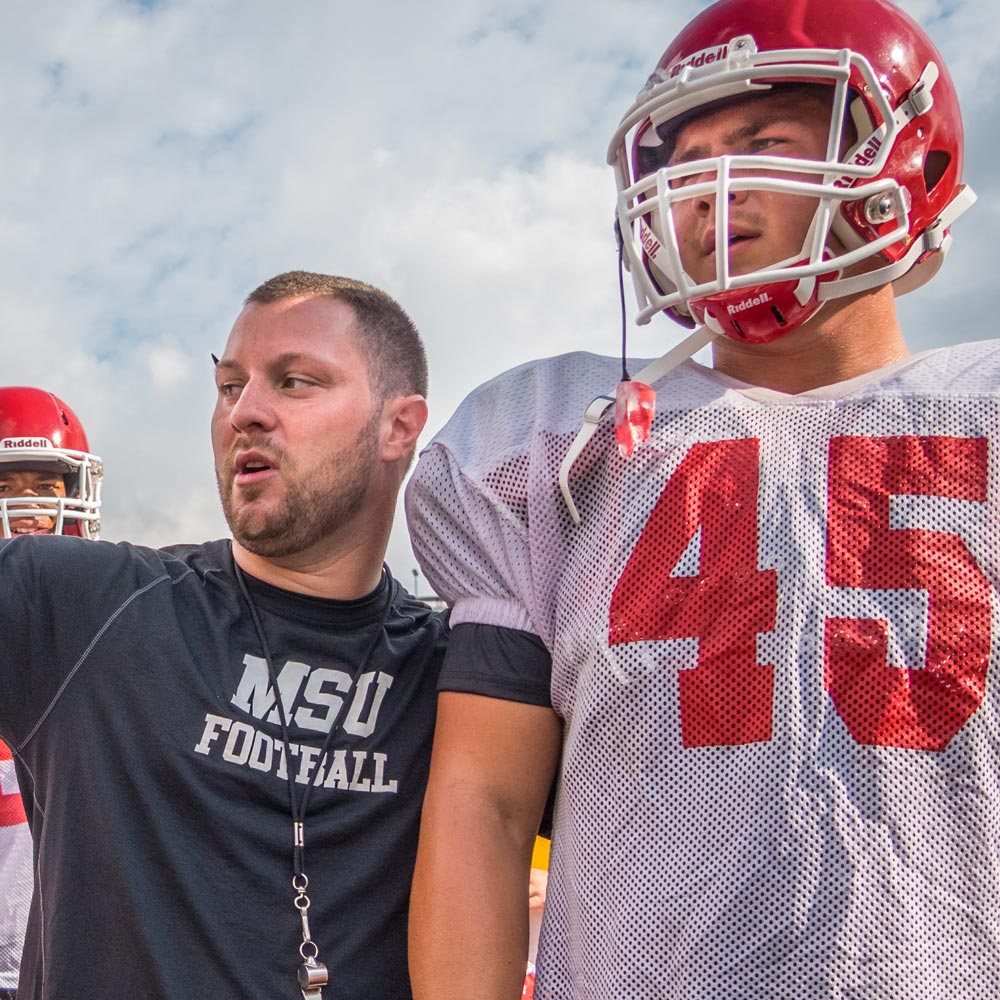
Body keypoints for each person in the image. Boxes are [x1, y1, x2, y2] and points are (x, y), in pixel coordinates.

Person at [404, 1, 999, 997]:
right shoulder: (556, 443)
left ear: (898, 158)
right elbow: (485, 804)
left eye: (764, 142)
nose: (707, 187)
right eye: (684, 161)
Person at [0, 271, 447, 999]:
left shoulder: (455, 675)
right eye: (231, 386)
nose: (246, 412)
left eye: (294, 382)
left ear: (399, 427)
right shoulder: (78, 606)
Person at [0, 387, 104, 1000]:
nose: (28, 508)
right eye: (6, 486)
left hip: (57, 963)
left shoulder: (110, 624)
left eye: (46, 485)